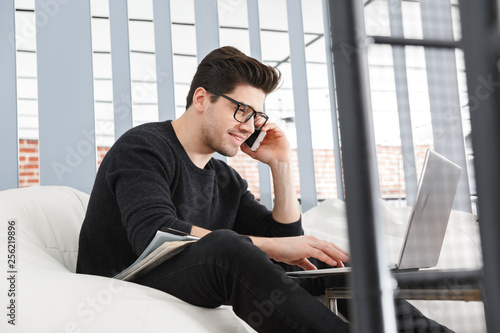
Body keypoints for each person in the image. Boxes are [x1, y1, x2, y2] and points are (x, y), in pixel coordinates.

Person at [76, 46, 451, 332]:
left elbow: (287, 239)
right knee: (229, 246)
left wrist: (281, 166)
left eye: (257, 116)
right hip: (129, 275)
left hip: (192, 268)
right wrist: (276, 247)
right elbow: (156, 232)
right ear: (202, 99)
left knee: (323, 258)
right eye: (242, 110)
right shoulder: (144, 146)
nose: (250, 125)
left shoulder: (225, 179)